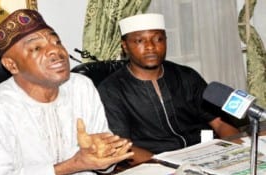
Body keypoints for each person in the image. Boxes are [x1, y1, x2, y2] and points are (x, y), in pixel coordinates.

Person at [0, 9, 134, 175]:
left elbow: (102, 165)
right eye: (36, 48)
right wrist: (72, 165)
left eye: (57, 42)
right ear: (12, 65)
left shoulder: (80, 86)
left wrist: (104, 157)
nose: (55, 51)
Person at [97, 13, 240, 159]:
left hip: (204, 155)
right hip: (153, 163)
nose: (151, 47)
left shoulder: (186, 76)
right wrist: (162, 166)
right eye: (140, 41)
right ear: (125, 47)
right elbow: (123, 146)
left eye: (158, 39)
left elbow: (220, 123)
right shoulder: (111, 90)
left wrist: (236, 151)